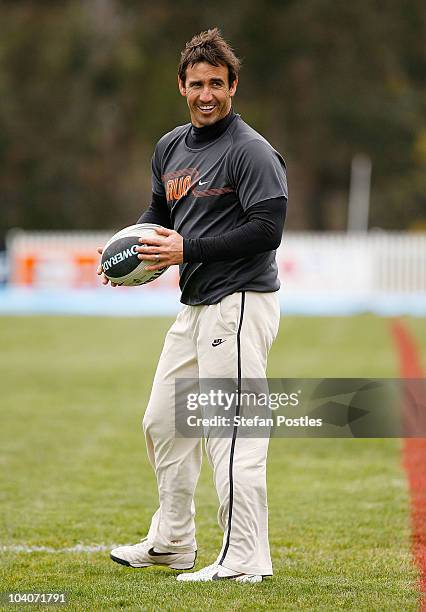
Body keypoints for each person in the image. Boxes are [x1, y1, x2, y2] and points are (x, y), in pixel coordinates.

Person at [98, 28, 288, 583]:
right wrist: (131, 251)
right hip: (196, 306)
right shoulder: (169, 147)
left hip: (240, 302)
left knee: (230, 432)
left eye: (217, 84)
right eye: (197, 84)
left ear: (233, 86)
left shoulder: (251, 151)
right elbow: (158, 215)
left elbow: (268, 230)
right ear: (181, 85)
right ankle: (173, 541)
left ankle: (244, 556)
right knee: (163, 422)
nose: (207, 94)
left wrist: (187, 249)